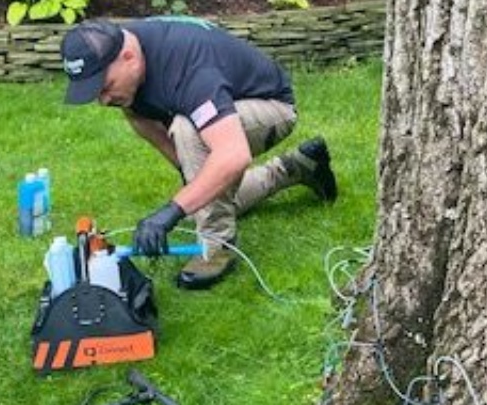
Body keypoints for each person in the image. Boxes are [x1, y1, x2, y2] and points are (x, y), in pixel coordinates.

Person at [59, 17, 338, 290]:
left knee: (188, 130)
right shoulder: (123, 52)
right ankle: (299, 166)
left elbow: (233, 154)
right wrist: (194, 181)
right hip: (225, 102)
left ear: (129, 57)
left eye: (105, 87)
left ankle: (217, 245)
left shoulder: (187, 69)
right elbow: (141, 118)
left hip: (271, 106)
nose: (103, 100)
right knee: (208, 197)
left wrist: (171, 212)